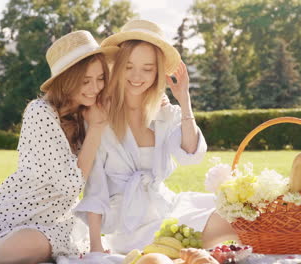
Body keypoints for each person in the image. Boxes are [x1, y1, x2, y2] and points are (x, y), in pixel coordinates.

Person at [0, 30, 118, 264]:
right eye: (85, 81)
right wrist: (96, 128)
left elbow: (88, 183)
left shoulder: (89, 115)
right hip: (6, 212)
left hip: (52, 222)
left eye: (100, 79)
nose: (95, 87)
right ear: (66, 80)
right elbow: (70, 184)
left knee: (21, 247)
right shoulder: (40, 112)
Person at [73, 20, 238, 255]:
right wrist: (96, 246)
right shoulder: (100, 117)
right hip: (130, 224)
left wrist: (184, 99)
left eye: (147, 68)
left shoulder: (165, 113)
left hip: (168, 207)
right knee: (185, 247)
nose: (136, 76)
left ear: (158, 72)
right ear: (117, 67)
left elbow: (190, 156)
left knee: (235, 216)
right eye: (129, 67)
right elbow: (95, 187)